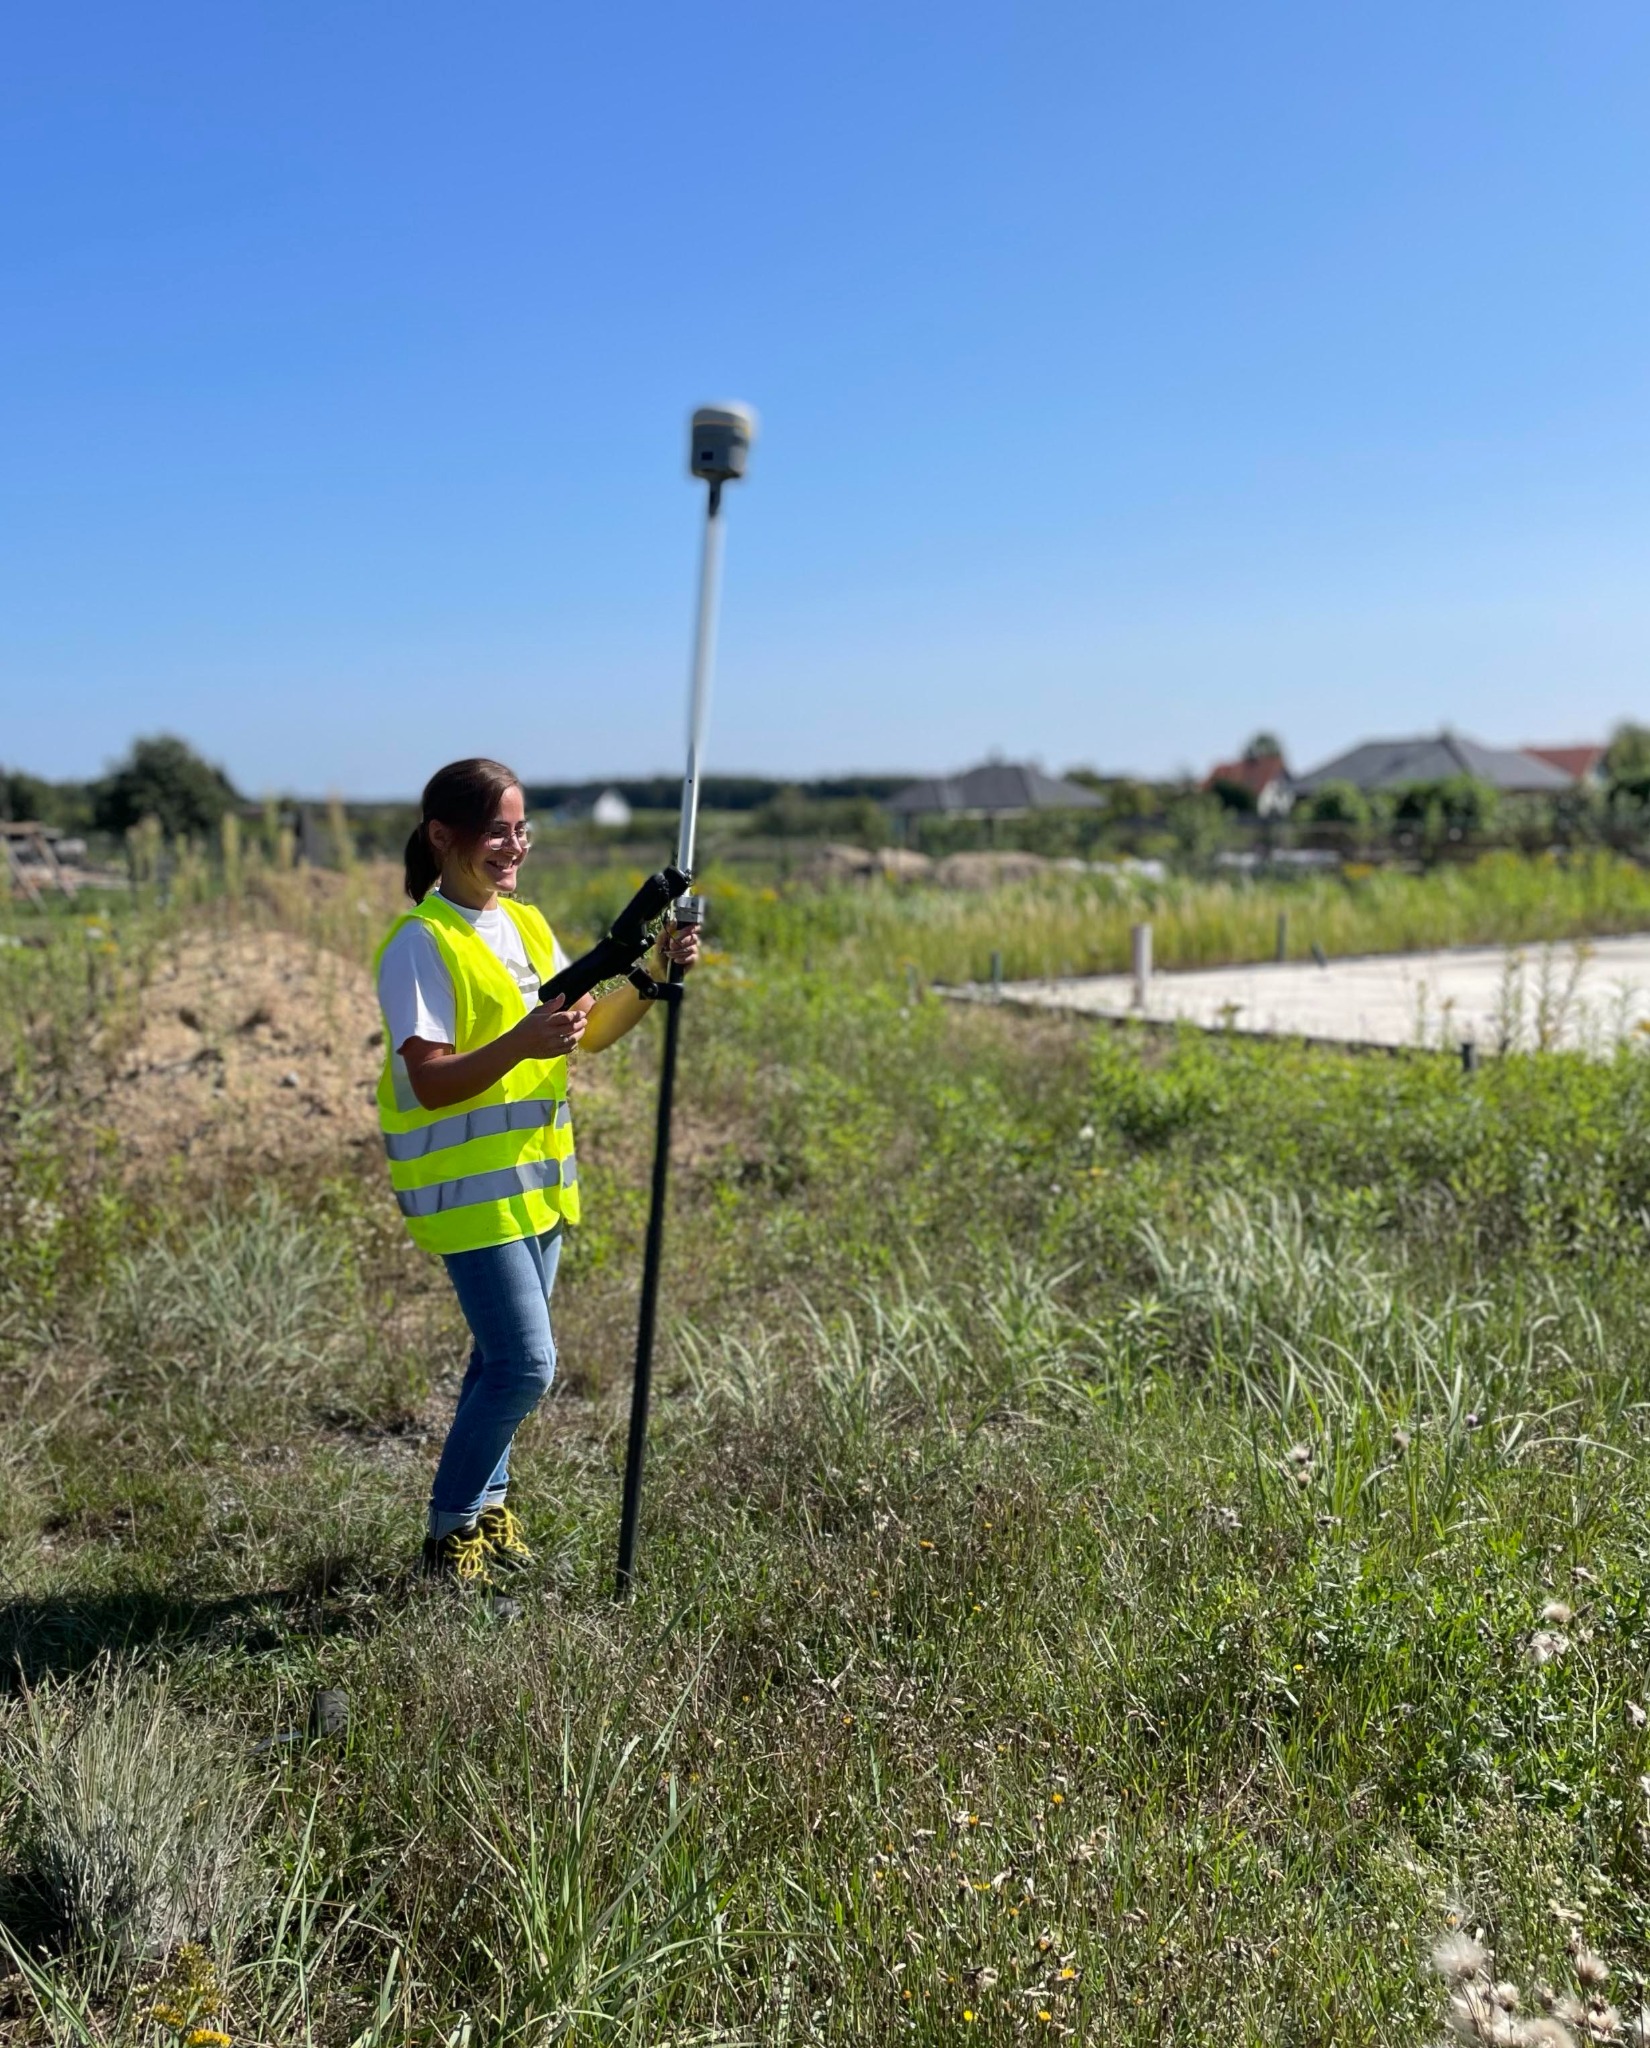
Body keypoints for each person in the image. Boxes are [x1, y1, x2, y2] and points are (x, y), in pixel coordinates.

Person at [373, 757, 697, 1597]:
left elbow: (584, 1036)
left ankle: (489, 1508)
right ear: (443, 838)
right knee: (525, 1367)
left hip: (537, 1186)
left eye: (521, 829)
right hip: (468, 1194)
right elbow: (429, 1079)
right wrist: (522, 1040)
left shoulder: (523, 926)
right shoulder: (420, 943)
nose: (512, 846)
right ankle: (449, 1533)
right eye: (495, 832)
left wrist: (653, 972)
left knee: (497, 1362)